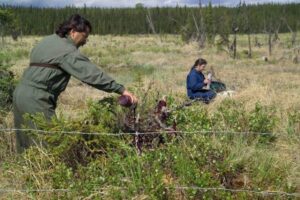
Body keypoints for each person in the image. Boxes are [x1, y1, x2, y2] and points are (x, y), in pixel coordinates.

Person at [13, 14, 137, 153]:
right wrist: (121, 90)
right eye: (84, 36)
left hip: (19, 93)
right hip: (36, 99)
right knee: (51, 145)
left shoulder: (47, 41)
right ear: (73, 32)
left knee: (25, 144)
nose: (85, 41)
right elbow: (91, 74)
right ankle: (47, 173)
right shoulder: (67, 51)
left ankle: (26, 172)